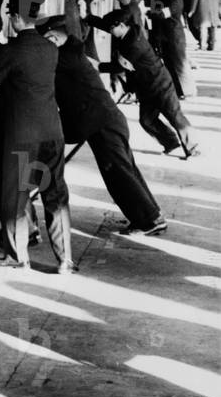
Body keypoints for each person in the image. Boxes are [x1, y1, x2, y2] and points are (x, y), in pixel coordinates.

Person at [37, 15, 166, 236]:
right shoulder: (72, 50)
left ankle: (150, 220)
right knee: (126, 171)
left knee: (120, 175)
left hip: (102, 124)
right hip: (106, 121)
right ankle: (151, 215)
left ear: (52, 37)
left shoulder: (64, 57)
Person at [0, 0, 75, 273]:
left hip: (23, 136)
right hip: (53, 132)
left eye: (11, 16)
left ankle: (18, 256)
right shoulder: (50, 48)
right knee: (55, 194)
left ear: (18, 19)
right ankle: (65, 260)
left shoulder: (11, 51)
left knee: (16, 196)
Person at [96, 9, 200, 158]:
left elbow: (120, 66)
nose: (110, 32)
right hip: (145, 86)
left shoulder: (134, 43)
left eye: (112, 29)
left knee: (174, 115)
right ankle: (171, 142)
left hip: (160, 83)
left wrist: (98, 66)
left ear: (121, 25)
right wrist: (89, 18)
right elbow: (107, 26)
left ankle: (193, 148)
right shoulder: (128, 30)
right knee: (147, 120)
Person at [147, 0, 196, 100]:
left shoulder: (177, 0)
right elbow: (155, 2)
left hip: (175, 37)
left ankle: (188, 91)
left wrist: (149, 13)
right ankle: (177, 91)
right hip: (166, 37)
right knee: (170, 65)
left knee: (179, 65)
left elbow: (163, 14)